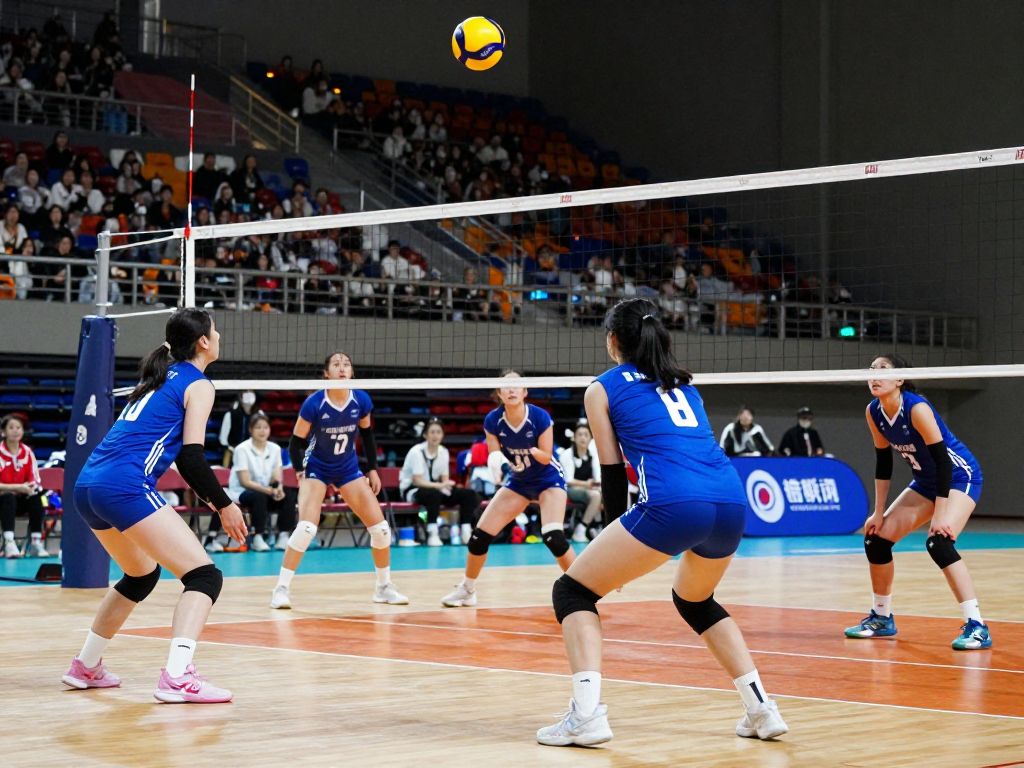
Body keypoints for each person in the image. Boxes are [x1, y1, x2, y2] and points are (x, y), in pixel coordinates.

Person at [536, 298, 787, 747]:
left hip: (676, 502)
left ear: (613, 340)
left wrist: (610, 540)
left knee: (572, 591)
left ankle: (586, 716)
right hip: (731, 500)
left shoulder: (602, 388)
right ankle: (761, 709)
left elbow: (612, 472)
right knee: (697, 601)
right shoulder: (685, 384)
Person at [65, 308, 246, 702]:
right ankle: (178, 677)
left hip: (88, 484)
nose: (219, 337)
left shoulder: (158, 377)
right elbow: (192, 458)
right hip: (124, 486)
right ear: (203, 341)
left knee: (140, 575)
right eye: (215, 331)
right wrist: (224, 504)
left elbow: (177, 453)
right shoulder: (198, 384)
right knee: (204, 577)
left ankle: (86, 665)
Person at [844, 355, 990, 650]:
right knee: (876, 539)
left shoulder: (917, 408)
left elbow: (943, 463)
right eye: (871, 370)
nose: (874, 375)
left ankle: (977, 626)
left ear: (899, 379)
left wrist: (940, 514)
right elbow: (883, 463)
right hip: (925, 482)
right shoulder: (874, 412)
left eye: (883, 369)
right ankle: (882, 618)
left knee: (939, 542)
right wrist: (878, 513)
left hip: (959, 477)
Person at [271, 352, 407, 608]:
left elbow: (367, 436)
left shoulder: (361, 399)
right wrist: (300, 470)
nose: (342, 368)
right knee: (306, 528)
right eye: (336, 364)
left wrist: (373, 469)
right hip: (317, 468)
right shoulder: (314, 403)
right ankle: (281, 589)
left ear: (352, 372)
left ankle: (383, 587)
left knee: (381, 530)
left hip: (347, 468)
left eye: (346, 364)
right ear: (326, 373)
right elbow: (296, 442)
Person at [441, 371, 573, 608]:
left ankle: (583, 588)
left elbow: (546, 456)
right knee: (479, 537)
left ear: (525, 392)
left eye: (516, 385)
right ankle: (467, 590)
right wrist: (502, 466)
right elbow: (494, 454)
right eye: (506, 386)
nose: (511, 389)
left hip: (548, 479)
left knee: (554, 537)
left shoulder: (539, 417)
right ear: (499, 393)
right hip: (519, 482)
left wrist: (533, 452)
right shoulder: (493, 420)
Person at [399, 418, 480, 547]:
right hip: (412, 489)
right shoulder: (416, 451)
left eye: (438, 432)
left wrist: (449, 485)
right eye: (432, 432)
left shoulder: (444, 451)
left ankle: (466, 531)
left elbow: (444, 479)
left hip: (436, 489)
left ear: (442, 435)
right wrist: (440, 485)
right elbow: (417, 480)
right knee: (433, 494)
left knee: (468, 494)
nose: (435, 435)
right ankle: (433, 533)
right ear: (425, 435)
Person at [227, 412, 296, 552]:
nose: (262, 431)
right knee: (259, 496)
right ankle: (258, 537)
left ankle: (283, 536)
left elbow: (277, 476)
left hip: (265, 491)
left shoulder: (275, 448)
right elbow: (245, 481)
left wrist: (278, 488)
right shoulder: (242, 449)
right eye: (258, 427)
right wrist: (269, 491)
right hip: (242, 492)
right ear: (250, 430)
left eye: (265, 427)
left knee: (289, 493)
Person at [0, 414, 49, 558]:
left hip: (21, 498)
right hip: (3, 500)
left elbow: (35, 479)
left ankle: (35, 542)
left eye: (18, 427)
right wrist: (18, 487)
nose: (15, 430)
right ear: (3, 432)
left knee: (36, 499)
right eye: (11, 427)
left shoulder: (27, 452)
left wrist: (29, 488)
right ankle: (9, 542)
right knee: (8, 498)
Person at [557, 421, 602, 543]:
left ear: (590, 438)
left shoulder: (592, 455)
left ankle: (598, 526)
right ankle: (581, 529)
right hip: (568, 490)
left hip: (587, 489)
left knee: (604, 492)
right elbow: (568, 480)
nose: (583, 438)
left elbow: (597, 477)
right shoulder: (567, 454)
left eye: (586, 435)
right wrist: (587, 484)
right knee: (595, 495)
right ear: (574, 438)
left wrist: (597, 484)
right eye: (580, 435)